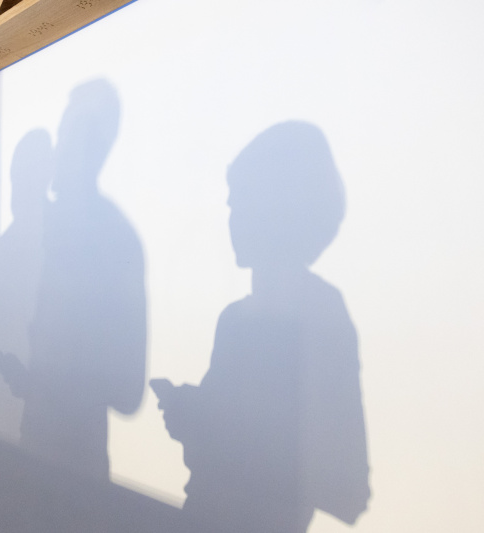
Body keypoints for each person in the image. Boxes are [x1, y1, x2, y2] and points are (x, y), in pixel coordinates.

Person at [155, 122, 370, 532]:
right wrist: (196, 420)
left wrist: (213, 426)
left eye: (241, 203)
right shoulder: (233, 322)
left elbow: (347, 489)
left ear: (277, 208)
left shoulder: (321, 316)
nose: (232, 219)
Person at [0, 80, 147, 480]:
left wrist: (57, 374)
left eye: (65, 135)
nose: (56, 151)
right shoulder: (50, 233)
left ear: (88, 146)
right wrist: (32, 383)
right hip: (32, 455)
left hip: (75, 476)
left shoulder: (117, 241)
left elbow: (128, 391)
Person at [0, 129, 52, 443]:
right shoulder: (0, 252)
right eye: (16, 178)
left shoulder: (64, 252)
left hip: (43, 432)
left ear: (45, 177)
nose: (18, 188)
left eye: (25, 177)